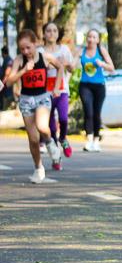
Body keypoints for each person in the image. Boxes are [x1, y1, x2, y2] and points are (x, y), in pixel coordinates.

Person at [7, 30, 64, 182]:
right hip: (26, 100)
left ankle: (50, 142)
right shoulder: (19, 60)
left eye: (28, 48)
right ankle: (39, 168)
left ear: (35, 44)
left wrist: (57, 87)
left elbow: (60, 67)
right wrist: (24, 71)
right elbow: (9, 82)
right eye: (22, 49)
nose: (26, 51)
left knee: (42, 127)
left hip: (42, 98)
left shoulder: (44, 57)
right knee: (33, 139)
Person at [76, 29, 115, 153]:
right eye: (89, 37)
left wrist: (102, 64)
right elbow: (72, 64)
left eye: (94, 37)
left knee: (96, 113)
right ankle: (89, 140)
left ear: (98, 40)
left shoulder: (101, 51)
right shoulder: (81, 51)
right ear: (86, 38)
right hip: (85, 85)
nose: (91, 39)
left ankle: (96, 141)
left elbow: (112, 68)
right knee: (88, 112)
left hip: (99, 86)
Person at [42, 22, 74, 163]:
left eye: (55, 31)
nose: (52, 34)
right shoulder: (39, 51)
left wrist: (67, 62)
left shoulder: (64, 49)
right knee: (51, 125)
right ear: (44, 34)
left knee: (63, 118)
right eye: (49, 31)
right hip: (45, 92)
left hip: (61, 90)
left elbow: (71, 69)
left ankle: (63, 138)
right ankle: (56, 157)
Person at [1, 45, 14, 111]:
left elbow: (7, 72)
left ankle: (9, 108)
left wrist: (3, 82)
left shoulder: (8, 60)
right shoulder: (5, 59)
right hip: (5, 82)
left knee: (8, 97)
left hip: (6, 83)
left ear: (3, 52)